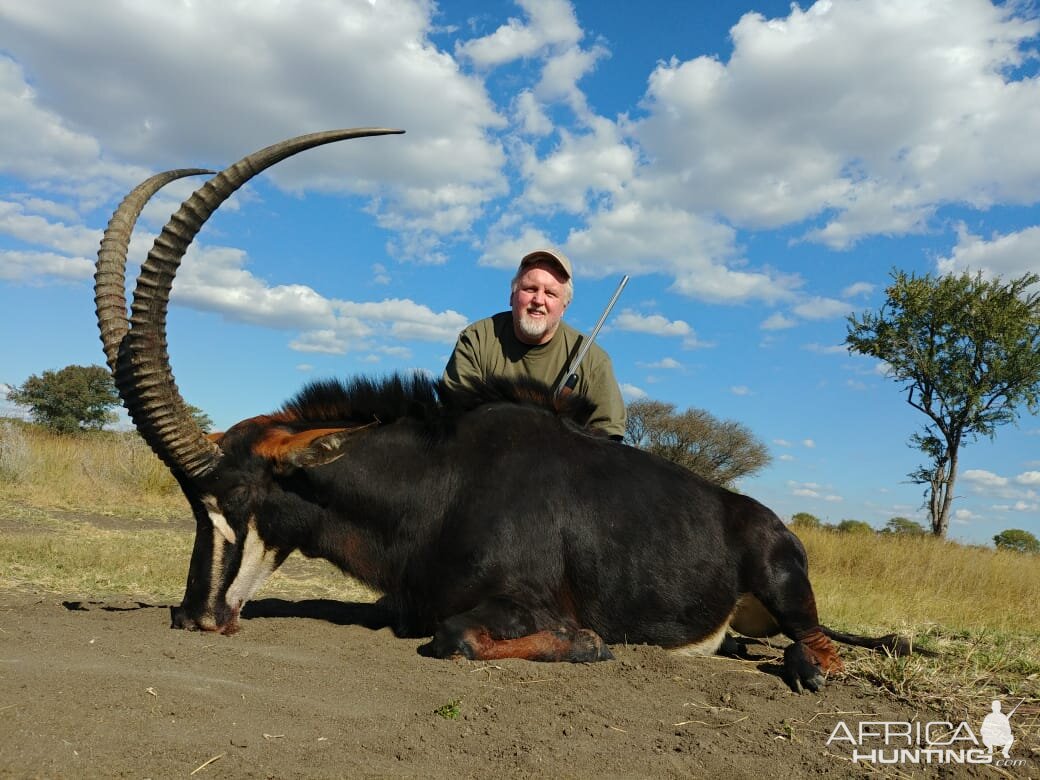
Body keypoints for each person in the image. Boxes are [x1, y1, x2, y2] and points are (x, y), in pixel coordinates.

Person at [442, 248, 626, 439]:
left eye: (550, 293)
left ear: (564, 306)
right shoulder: (476, 339)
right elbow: (458, 414)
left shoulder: (593, 360)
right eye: (530, 289)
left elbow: (609, 436)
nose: (538, 300)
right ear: (512, 297)